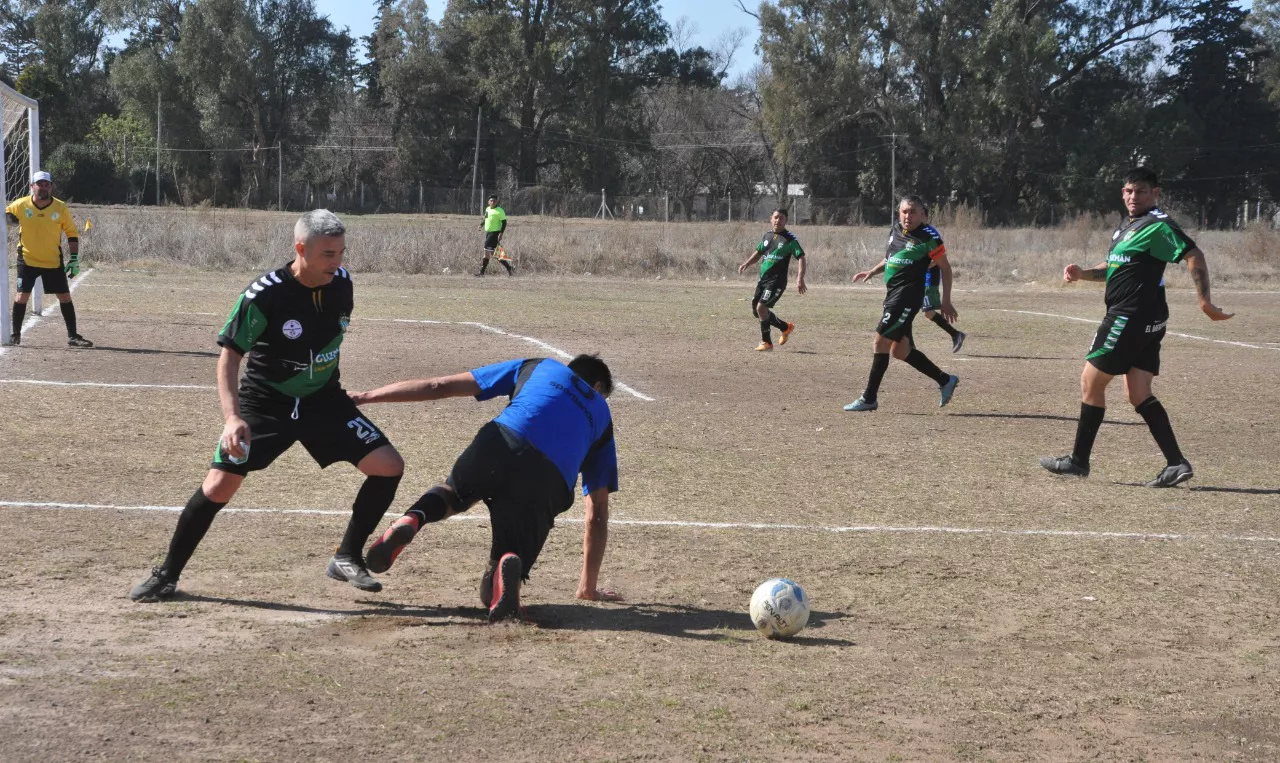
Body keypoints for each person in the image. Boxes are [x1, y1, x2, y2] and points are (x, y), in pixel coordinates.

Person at [129, 210, 406, 601]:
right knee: (219, 486)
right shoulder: (264, 294)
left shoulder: (343, 284)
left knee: (389, 466)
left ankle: (346, 556)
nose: (338, 262)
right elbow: (229, 356)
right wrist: (232, 419)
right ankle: (167, 574)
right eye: (328, 253)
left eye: (342, 252)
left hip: (323, 402)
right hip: (266, 403)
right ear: (300, 249)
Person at [352, 354, 622, 622]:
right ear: (597, 387)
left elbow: (440, 385)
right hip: (547, 479)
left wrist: (367, 396)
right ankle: (504, 569)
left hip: (501, 441)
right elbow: (597, 512)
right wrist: (587, 588)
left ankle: (413, 518)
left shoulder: (541, 366)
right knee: (503, 567)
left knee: (452, 494)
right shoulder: (601, 415)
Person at [1039, 167, 1232, 487]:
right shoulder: (1128, 226)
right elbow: (1115, 266)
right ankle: (1176, 463)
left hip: (1128, 317)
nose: (1133, 197)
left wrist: (1204, 301)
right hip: (1149, 321)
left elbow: (1192, 254)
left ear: (1155, 193)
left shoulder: (1157, 224)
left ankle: (1078, 462)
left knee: (1091, 382)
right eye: (1128, 191)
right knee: (1138, 392)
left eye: (1140, 191)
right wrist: (1083, 273)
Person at [846, 195, 960, 411]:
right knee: (900, 351)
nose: (908, 216)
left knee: (880, 342)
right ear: (899, 213)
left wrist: (946, 301)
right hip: (892, 294)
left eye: (913, 212)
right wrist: (872, 270)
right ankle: (945, 380)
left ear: (922, 215)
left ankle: (869, 398)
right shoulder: (896, 230)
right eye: (904, 211)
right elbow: (891, 258)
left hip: (907, 297)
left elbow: (945, 267)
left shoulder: (929, 238)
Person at [4, 170, 92, 347]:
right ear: (32, 187)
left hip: (52, 260)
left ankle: (73, 336)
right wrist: (8, 218)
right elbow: (6, 216)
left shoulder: (60, 207)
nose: (43, 188)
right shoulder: (20, 205)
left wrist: (74, 258)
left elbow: (71, 233)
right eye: (40, 184)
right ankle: (15, 335)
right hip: (27, 259)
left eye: (47, 184)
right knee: (21, 296)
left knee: (65, 297)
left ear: (51, 187)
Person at [737, 208, 807, 351]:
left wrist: (800, 279)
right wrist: (746, 263)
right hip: (763, 280)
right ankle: (785, 327)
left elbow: (801, 257)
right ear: (771, 219)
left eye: (781, 218)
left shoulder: (790, 239)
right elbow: (759, 252)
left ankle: (767, 343)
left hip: (777, 281)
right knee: (757, 311)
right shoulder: (768, 236)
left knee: (761, 308)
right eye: (776, 217)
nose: (778, 220)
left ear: (786, 220)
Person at [922, 262, 966, 352]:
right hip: (919, 280)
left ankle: (955, 334)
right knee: (924, 313)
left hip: (928, 281)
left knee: (929, 312)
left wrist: (917, 265)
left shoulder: (932, 248)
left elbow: (935, 261)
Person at [475, 195, 513, 276]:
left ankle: (481, 272)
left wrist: (501, 234)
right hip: (488, 233)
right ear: (488, 202)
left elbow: (504, 223)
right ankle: (509, 268)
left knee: (486, 252)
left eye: (494, 201)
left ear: (497, 202)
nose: (493, 202)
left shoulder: (500, 210)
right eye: (491, 200)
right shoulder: (487, 209)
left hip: (494, 233)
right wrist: (481, 225)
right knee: (494, 254)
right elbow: (486, 218)